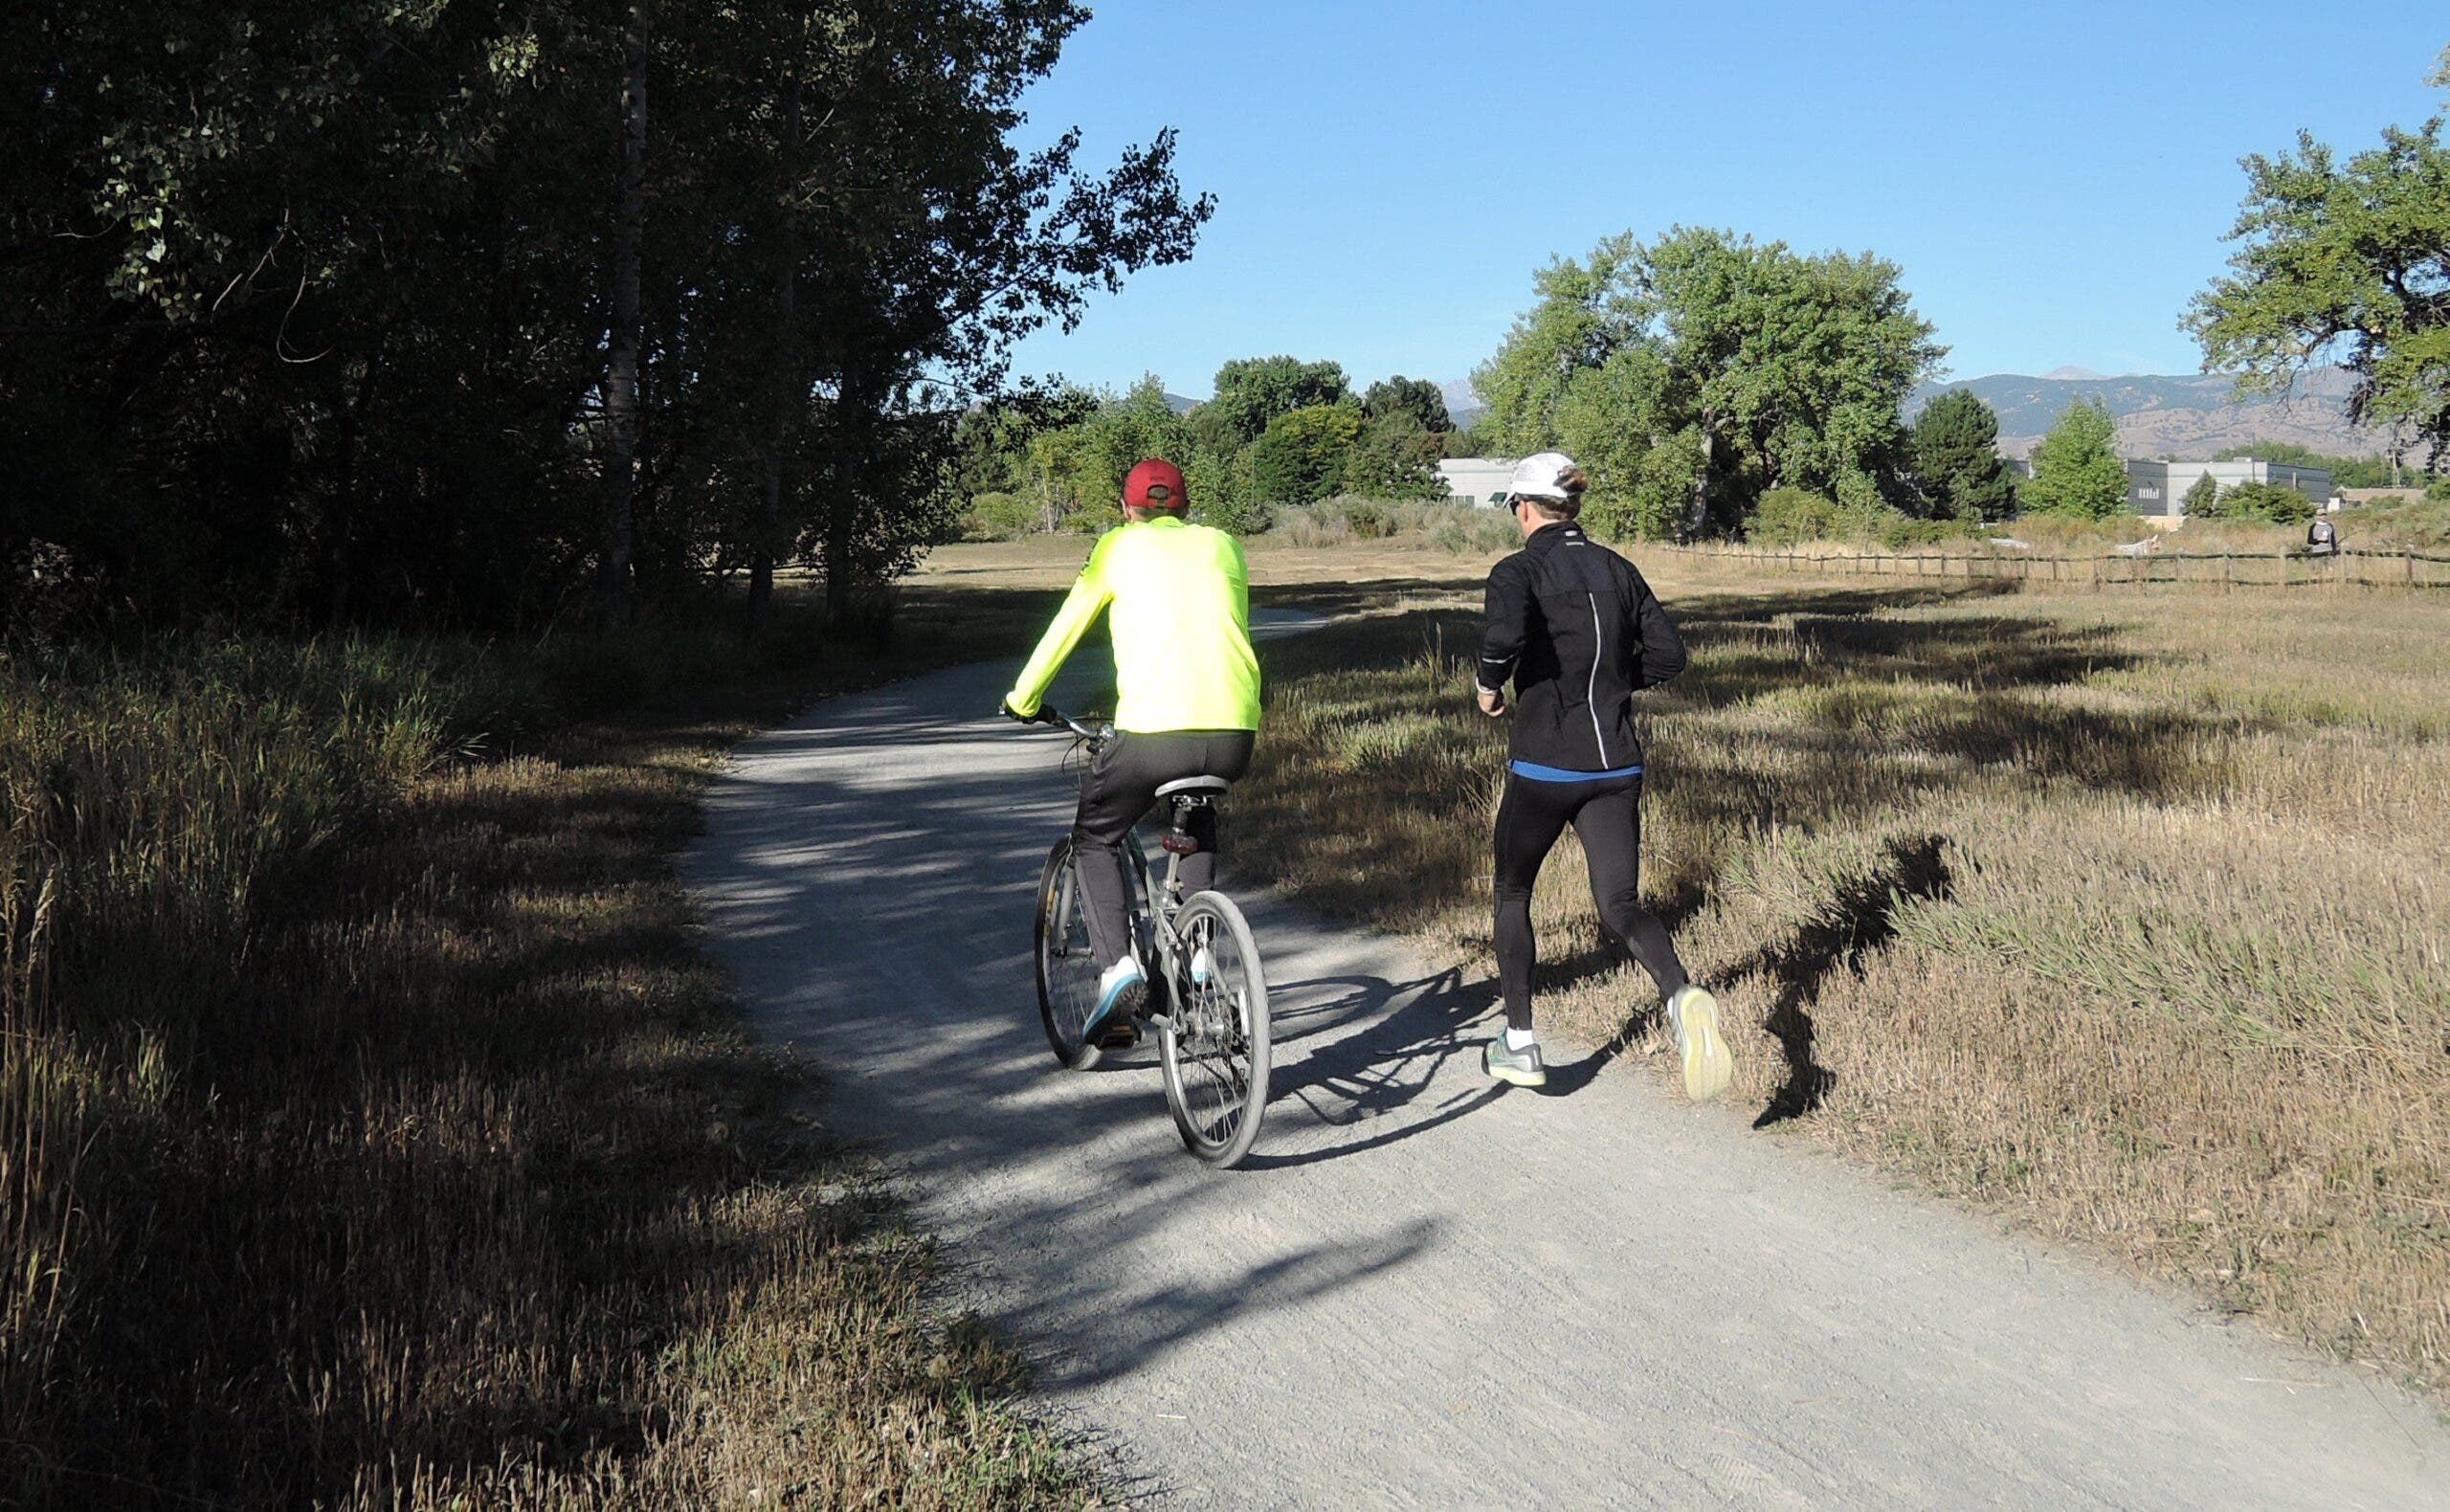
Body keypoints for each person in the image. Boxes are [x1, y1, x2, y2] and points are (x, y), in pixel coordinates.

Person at [1472, 452, 1731, 1100]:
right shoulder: (1619, 567)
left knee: (1512, 893)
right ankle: (1681, 994)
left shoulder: (1518, 569)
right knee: (1620, 904)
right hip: (1617, 763)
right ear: (1573, 507)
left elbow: (1502, 639)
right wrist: (1619, 681)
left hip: (1544, 765)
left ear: (1522, 507)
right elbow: (1670, 655)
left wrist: (1487, 684)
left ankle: (1522, 1044)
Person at [1002, 458, 1261, 1048]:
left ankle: (1118, 971)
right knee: (1198, 815)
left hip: (1151, 735)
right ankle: (1197, 958)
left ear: (1127, 509)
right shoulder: (1225, 546)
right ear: (1186, 507)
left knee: (1095, 837)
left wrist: (1023, 698)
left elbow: (1066, 626)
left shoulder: (1117, 548)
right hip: (1232, 734)